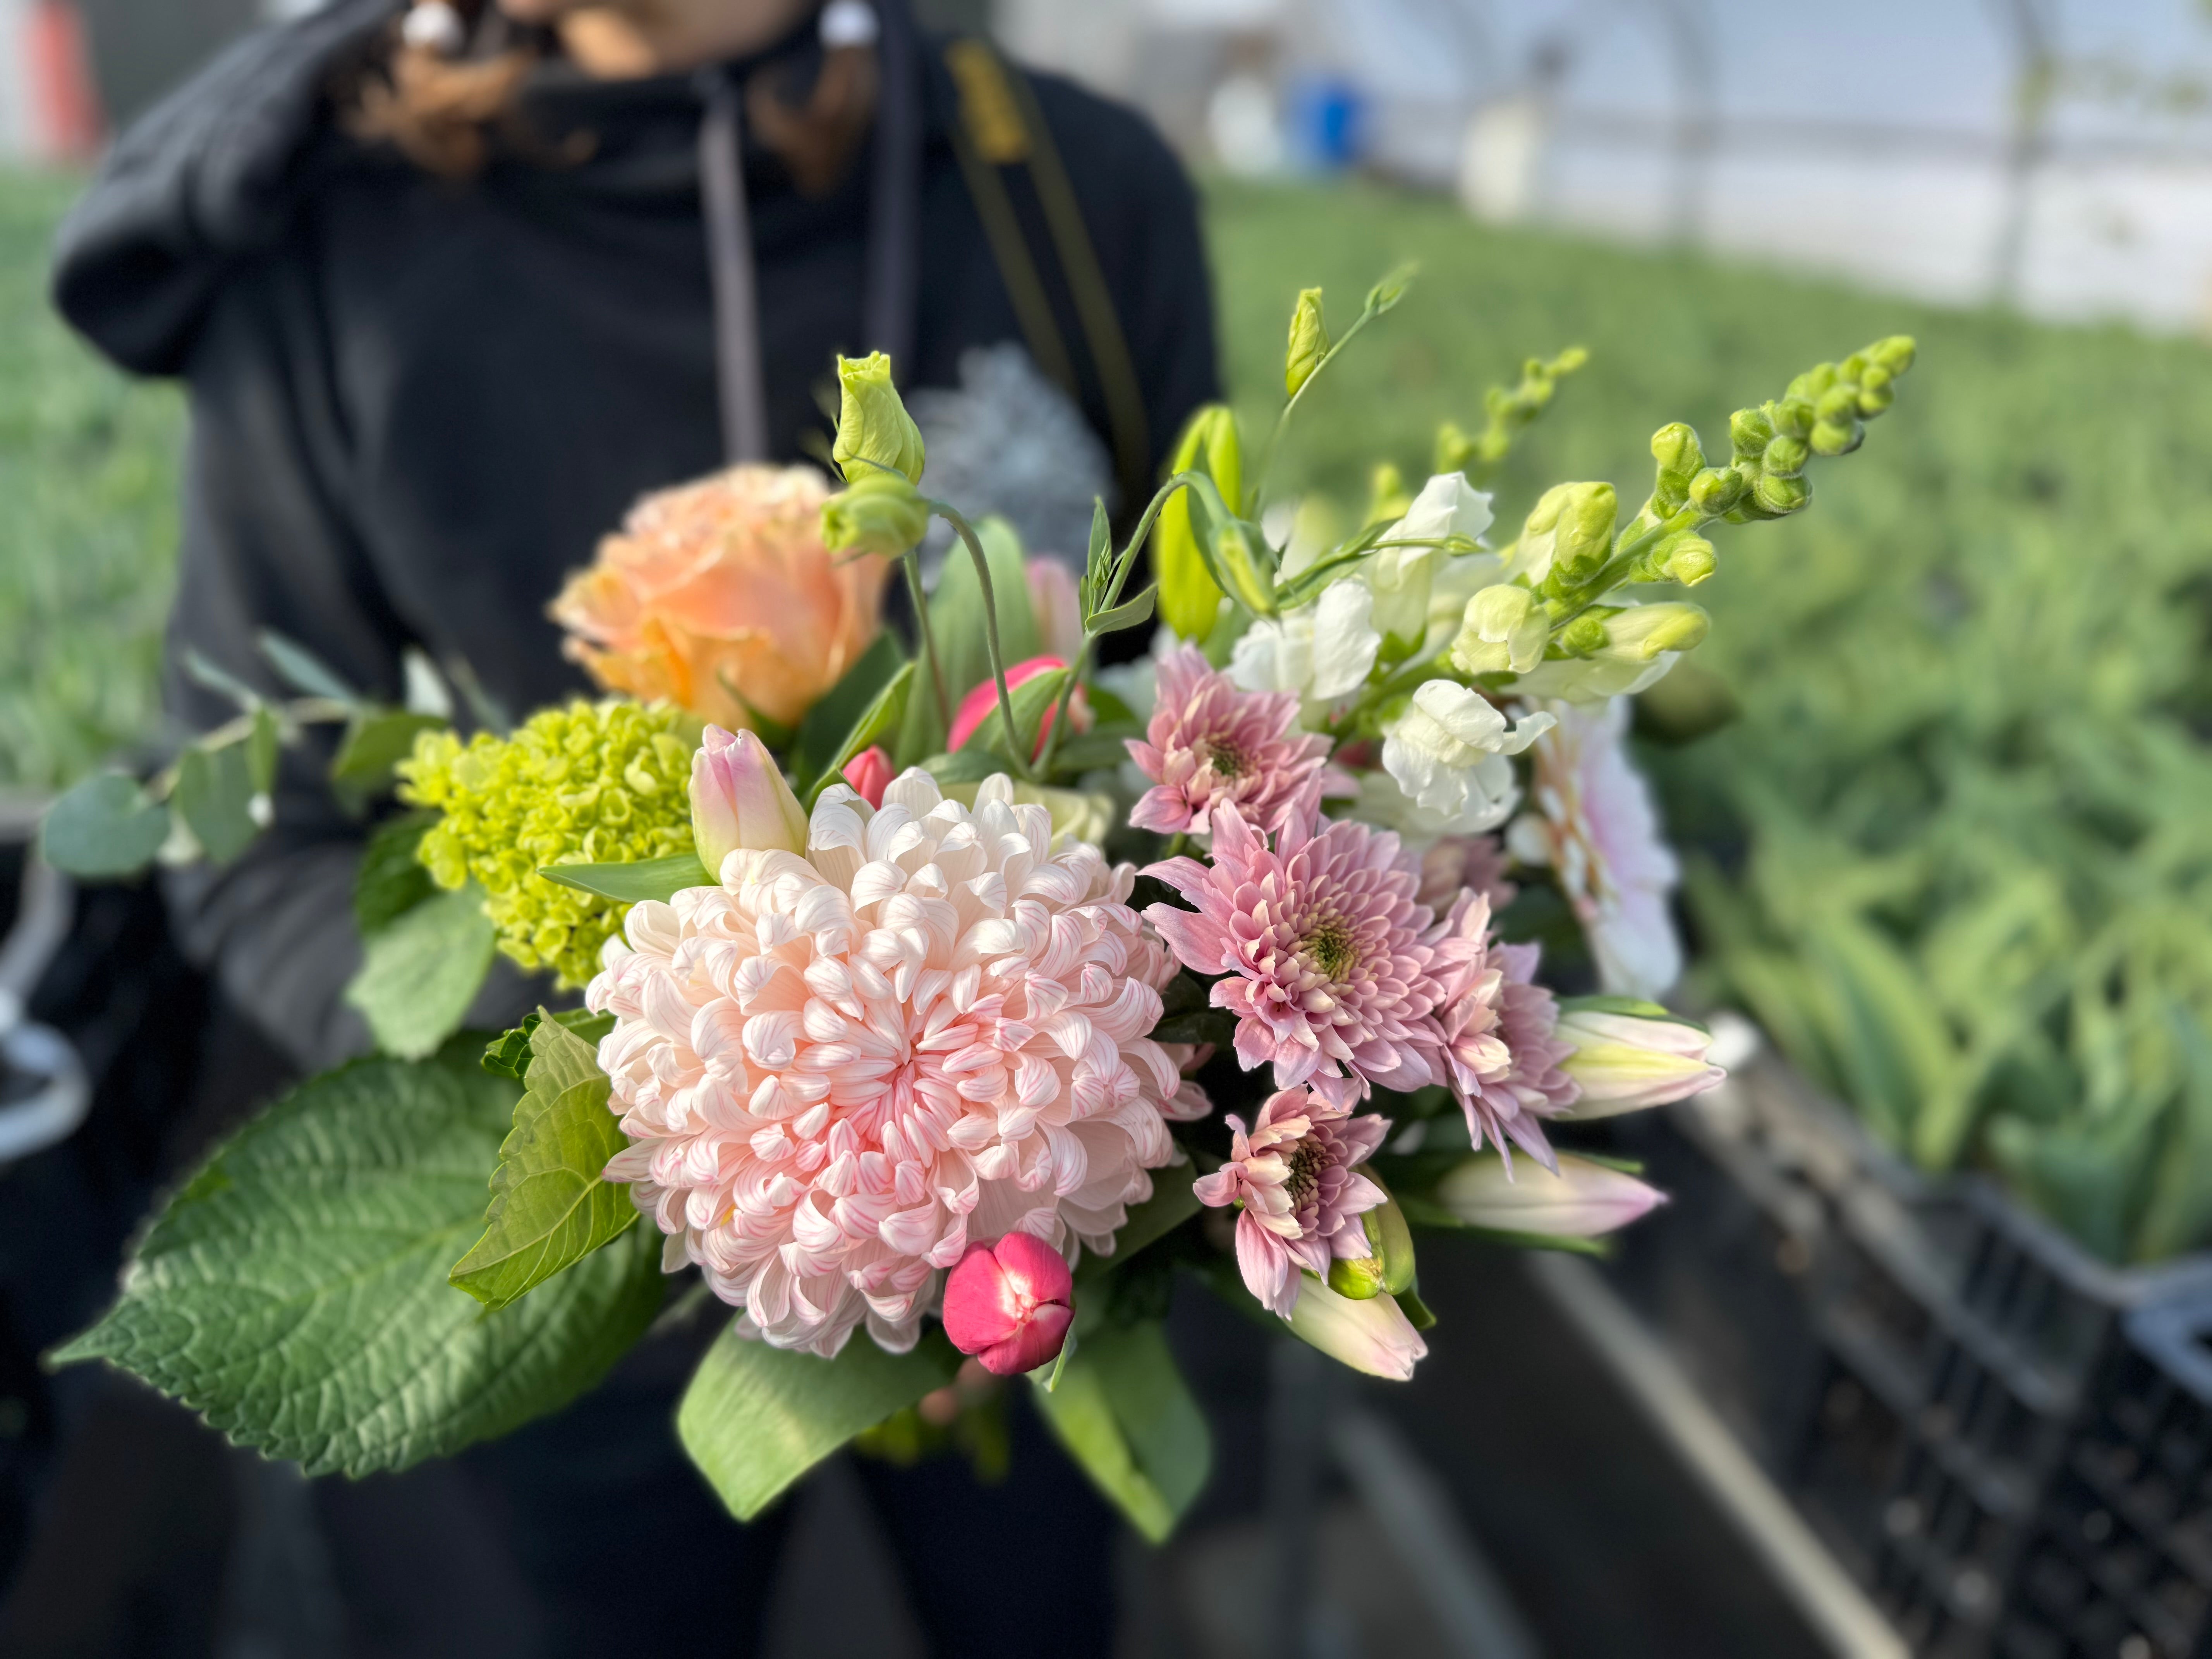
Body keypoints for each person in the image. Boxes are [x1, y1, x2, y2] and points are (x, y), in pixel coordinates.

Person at [36, 2, 1221, 1654]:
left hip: (1059, 1244)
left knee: (1033, 1605)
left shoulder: (1079, 194)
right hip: (595, 1259)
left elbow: (1202, 725)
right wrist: (687, 1132)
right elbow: (264, 847)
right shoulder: (334, 249)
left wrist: (1042, 1160)